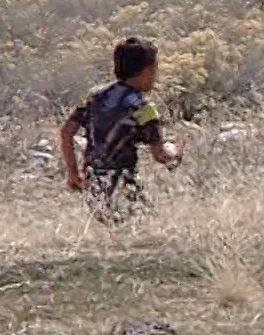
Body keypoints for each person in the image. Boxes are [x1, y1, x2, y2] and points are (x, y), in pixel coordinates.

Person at [59, 36, 183, 219]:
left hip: (94, 185)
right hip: (123, 187)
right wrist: (175, 150)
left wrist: (73, 172)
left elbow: (66, 132)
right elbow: (160, 156)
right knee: (146, 228)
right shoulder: (142, 107)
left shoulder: (96, 97)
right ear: (147, 70)